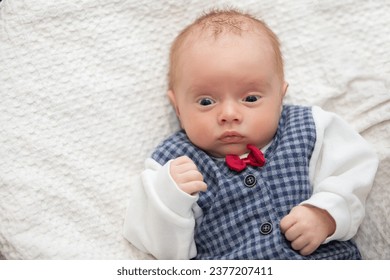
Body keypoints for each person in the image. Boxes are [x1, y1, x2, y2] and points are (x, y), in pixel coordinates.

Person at [123, 9, 378, 259]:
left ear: (280, 96)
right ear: (177, 106)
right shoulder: (172, 165)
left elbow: (354, 168)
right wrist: (169, 199)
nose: (229, 114)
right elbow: (161, 250)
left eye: (251, 98)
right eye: (206, 102)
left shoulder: (311, 129)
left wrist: (327, 212)